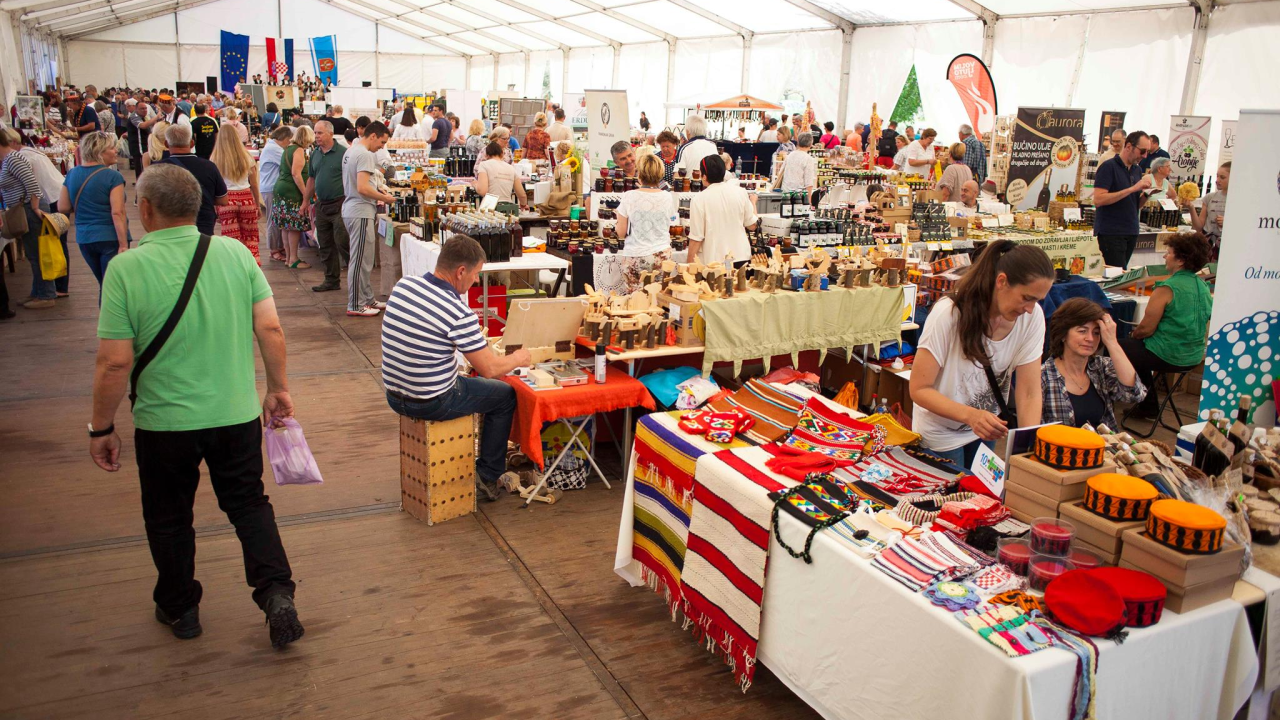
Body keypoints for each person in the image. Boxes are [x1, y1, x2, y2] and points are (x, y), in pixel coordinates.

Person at [88, 163, 304, 649]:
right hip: (234, 413)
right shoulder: (234, 254)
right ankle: (276, 593)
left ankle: (181, 607)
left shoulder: (125, 268)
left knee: (168, 515)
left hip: (164, 423)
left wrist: (100, 427)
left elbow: (114, 362)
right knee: (249, 504)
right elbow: (270, 328)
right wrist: (277, 388)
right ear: (197, 206)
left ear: (144, 209)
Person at [382, 235, 530, 501]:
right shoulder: (456, 311)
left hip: (394, 396)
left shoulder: (405, 285)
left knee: (472, 382)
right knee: (504, 396)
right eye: (475, 275)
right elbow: (490, 368)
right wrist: (519, 357)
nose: (476, 281)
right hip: (430, 401)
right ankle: (488, 475)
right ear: (461, 271)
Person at [909, 241, 1055, 466]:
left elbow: (1029, 392)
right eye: (1026, 297)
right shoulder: (948, 315)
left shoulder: (1031, 318)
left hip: (986, 431)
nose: (1030, 308)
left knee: (981, 498)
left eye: (1037, 300)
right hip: (940, 436)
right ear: (1002, 282)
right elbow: (919, 389)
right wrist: (971, 416)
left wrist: (1027, 450)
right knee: (952, 498)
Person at [1119, 232, 1213, 419]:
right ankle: (1148, 403)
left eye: (1168, 252)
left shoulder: (1167, 288)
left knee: (1118, 347)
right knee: (1136, 350)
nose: (1164, 256)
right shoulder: (1202, 286)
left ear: (1180, 260)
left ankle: (1139, 402)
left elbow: (1146, 329)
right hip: (1194, 354)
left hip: (1170, 354)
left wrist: (1134, 334)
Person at [1041, 298, 1145, 429]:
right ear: (1063, 335)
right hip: (1064, 448)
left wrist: (1112, 342)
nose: (1090, 339)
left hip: (1104, 446)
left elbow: (1134, 395)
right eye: (1082, 331)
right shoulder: (1043, 376)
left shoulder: (1101, 366)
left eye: (1096, 333)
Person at [58, 132, 128, 294]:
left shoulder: (72, 173)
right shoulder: (113, 177)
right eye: (111, 148)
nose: (116, 150)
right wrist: (123, 244)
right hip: (110, 237)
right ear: (100, 151)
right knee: (112, 288)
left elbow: (62, 207)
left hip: (85, 237)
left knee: (104, 285)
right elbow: (117, 212)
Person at [342, 121, 398, 317]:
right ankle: (356, 304)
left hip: (355, 209)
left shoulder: (352, 151)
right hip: (360, 211)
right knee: (359, 260)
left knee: (364, 259)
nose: (381, 147)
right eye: (381, 142)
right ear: (373, 135)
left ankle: (366, 298)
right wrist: (385, 197)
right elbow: (363, 187)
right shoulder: (365, 154)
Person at [0, 129, 54, 310]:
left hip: (28, 210)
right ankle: (38, 291)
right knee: (33, 254)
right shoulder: (10, 159)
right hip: (25, 209)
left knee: (37, 254)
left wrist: (35, 207)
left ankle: (46, 294)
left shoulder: (13, 159)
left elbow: (32, 184)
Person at [615, 154, 676, 293]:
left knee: (635, 300)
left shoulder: (629, 196)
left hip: (636, 254)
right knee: (659, 297)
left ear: (639, 173)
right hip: (662, 254)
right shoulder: (667, 196)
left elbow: (621, 232)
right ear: (660, 174)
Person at [1092, 130, 1151, 269]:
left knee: (1121, 274)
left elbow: (1134, 204)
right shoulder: (1108, 166)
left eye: (1147, 152)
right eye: (1142, 151)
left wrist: (1148, 194)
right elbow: (1098, 199)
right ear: (1129, 146)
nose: (1145, 156)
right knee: (1117, 275)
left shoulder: (1136, 170)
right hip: (1111, 232)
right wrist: (1132, 189)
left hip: (1131, 230)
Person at [302, 120, 349, 292]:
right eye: (315, 133)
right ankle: (331, 280)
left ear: (330, 133)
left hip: (340, 204)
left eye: (320, 133)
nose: (316, 137)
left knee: (343, 241)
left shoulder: (344, 153)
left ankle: (356, 279)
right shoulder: (315, 154)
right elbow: (311, 179)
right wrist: (305, 201)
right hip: (322, 205)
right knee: (325, 243)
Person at [157, 124, 227, 237]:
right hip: (203, 223)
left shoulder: (158, 169)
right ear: (192, 143)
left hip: (169, 224)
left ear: (166, 144)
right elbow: (223, 200)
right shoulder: (209, 167)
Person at [688, 155, 758, 266]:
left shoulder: (699, 199)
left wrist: (688, 266)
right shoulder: (740, 192)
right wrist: (753, 203)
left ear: (704, 176)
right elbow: (752, 225)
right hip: (741, 257)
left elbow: (696, 238)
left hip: (715, 263)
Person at [211, 125, 264, 264]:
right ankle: (253, 267)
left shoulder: (215, 158)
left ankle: (235, 267)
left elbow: (214, 186)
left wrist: (215, 207)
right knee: (250, 237)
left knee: (231, 240)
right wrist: (257, 205)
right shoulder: (247, 156)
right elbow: (254, 183)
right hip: (246, 198)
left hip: (226, 200)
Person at [271, 125, 313, 269]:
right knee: (294, 226)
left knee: (285, 226)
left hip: (281, 189)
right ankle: (294, 259)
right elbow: (296, 174)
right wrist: (305, 194)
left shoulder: (287, 149)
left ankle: (289, 258)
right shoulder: (299, 150)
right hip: (291, 192)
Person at [259, 126, 292, 263]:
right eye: (289, 141)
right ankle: (274, 249)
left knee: (276, 218)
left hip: (272, 187)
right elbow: (289, 163)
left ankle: (278, 246)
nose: (289, 144)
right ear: (284, 139)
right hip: (271, 188)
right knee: (273, 219)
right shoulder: (274, 149)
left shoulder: (272, 147)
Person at [474, 141, 528, 209]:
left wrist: (475, 184)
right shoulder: (511, 168)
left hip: (489, 206)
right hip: (508, 207)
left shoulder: (484, 165)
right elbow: (522, 195)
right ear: (502, 154)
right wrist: (524, 205)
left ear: (486, 155)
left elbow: (482, 191)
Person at [1191, 161, 1230, 253]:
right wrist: (1191, 208)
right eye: (1217, 176)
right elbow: (1198, 227)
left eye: (1222, 177)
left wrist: (1229, 224)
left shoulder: (1241, 200)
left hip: (1227, 247)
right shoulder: (1209, 197)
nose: (1217, 180)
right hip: (1207, 247)